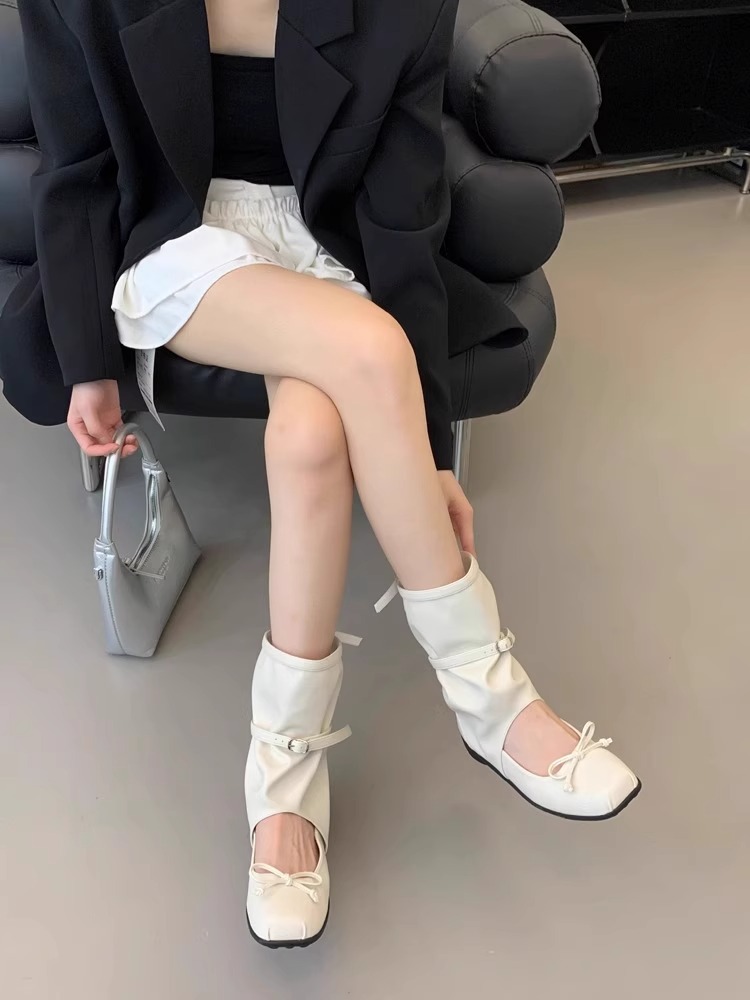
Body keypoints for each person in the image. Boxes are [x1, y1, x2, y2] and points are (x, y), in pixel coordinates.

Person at [2, 0, 640, 949]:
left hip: (323, 239)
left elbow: (403, 206)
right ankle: (491, 696)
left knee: (309, 443)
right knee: (371, 352)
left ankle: (284, 781)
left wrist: (423, 453)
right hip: (176, 239)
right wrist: (88, 363)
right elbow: (78, 163)